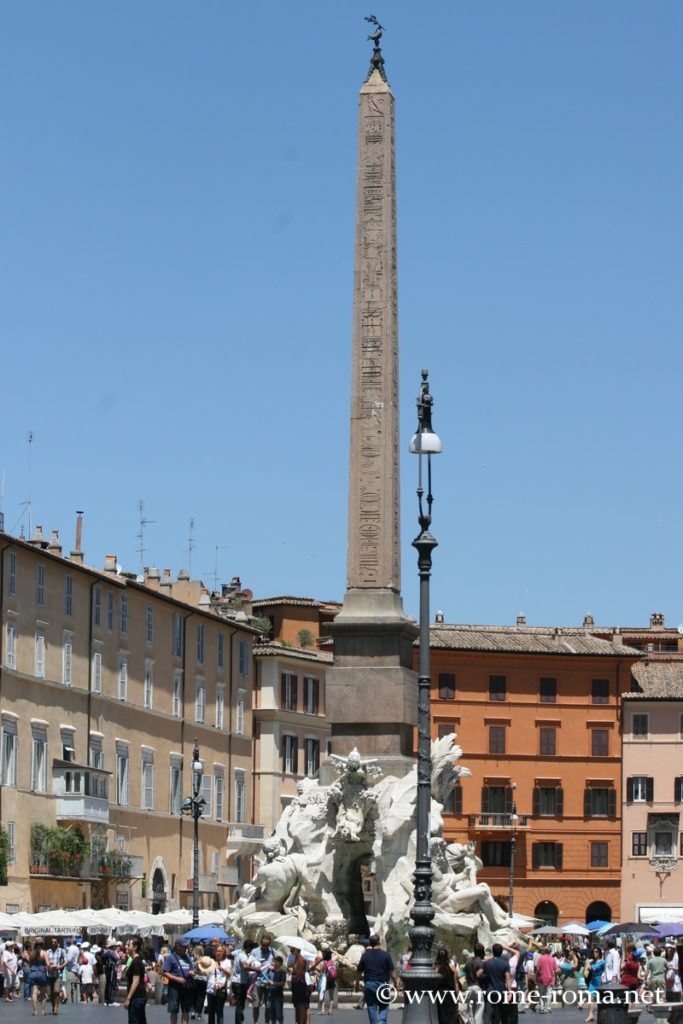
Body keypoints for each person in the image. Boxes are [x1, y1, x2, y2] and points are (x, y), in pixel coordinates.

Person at [357, 935, 397, 1024]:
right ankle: (381, 1022)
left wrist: (356, 984)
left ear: (370, 944)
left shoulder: (365, 956)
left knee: (371, 1007)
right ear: (379, 942)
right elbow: (392, 971)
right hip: (382, 984)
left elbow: (359, 972)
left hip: (369, 983)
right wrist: (396, 983)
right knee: (384, 1005)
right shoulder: (386, 955)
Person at [163, 937, 197, 1024]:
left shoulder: (187, 957)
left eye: (186, 946)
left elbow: (192, 968)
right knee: (174, 1010)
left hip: (186, 986)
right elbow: (165, 972)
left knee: (186, 1010)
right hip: (175, 987)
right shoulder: (171, 958)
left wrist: (192, 972)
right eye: (184, 946)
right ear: (177, 946)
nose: (186, 948)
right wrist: (177, 979)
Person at [482, 944, 512, 1024]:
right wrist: (510, 992)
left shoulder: (487, 963)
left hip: (489, 991)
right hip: (501, 991)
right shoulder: (505, 964)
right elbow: (507, 978)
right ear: (501, 952)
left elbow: (482, 975)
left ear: (492, 951)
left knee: (489, 1013)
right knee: (503, 1013)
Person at [232, 940, 259, 1024]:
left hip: (236, 981)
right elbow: (245, 967)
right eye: (252, 948)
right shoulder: (243, 956)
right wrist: (256, 969)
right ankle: (239, 1021)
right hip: (239, 983)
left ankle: (239, 1020)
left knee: (240, 1004)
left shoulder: (239, 954)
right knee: (240, 1004)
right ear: (249, 948)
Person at [200, 950, 231, 1024]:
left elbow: (229, 973)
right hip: (211, 988)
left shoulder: (227, 962)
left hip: (221, 989)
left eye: (220, 951)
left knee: (219, 1011)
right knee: (211, 1012)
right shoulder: (211, 962)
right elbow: (205, 972)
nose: (218, 952)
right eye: (217, 951)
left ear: (223, 952)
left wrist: (221, 968)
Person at [124, 937, 148, 1024]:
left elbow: (136, 981)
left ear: (135, 947)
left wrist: (128, 998)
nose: (125, 947)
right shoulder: (138, 960)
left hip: (136, 997)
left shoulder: (135, 962)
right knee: (141, 1021)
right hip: (140, 996)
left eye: (128, 945)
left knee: (134, 1021)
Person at [251, 935, 275, 1024]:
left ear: (269, 944)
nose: (265, 947)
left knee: (268, 1005)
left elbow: (277, 964)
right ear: (261, 942)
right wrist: (254, 968)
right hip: (257, 982)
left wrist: (273, 967)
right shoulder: (254, 951)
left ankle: (266, 1022)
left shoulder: (273, 952)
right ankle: (255, 1022)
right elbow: (249, 964)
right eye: (263, 945)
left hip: (268, 982)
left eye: (267, 945)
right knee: (256, 1004)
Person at [435, 947, 459, 1024]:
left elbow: (433, 983)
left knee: (441, 1016)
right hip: (451, 993)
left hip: (440, 993)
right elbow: (456, 984)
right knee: (452, 1016)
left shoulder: (436, 968)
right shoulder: (453, 967)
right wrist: (458, 997)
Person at [463, 944, 486, 1024]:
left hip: (469, 987)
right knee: (478, 1012)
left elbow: (465, 975)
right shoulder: (481, 962)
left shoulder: (468, 961)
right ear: (482, 952)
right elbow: (482, 976)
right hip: (478, 987)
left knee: (469, 1011)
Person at [27, 939, 49, 1017]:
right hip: (41, 973)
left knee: (34, 993)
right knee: (43, 993)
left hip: (33, 973)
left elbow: (30, 963)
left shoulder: (32, 953)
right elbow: (48, 964)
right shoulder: (44, 953)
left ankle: (35, 1011)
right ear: (42, 945)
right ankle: (42, 1011)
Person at [583, 948, 605, 1024]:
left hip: (598, 981)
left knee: (596, 999)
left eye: (596, 952)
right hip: (592, 981)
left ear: (599, 953)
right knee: (590, 997)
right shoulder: (591, 962)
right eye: (593, 952)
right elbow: (588, 970)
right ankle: (590, 1015)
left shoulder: (602, 962)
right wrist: (587, 964)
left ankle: (594, 1015)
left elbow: (604, 971)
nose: (594, 953)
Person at [534, 948, 557, 1015]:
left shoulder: (541, 958)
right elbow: (555, 970)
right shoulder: (553, 959)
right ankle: (548, 1008)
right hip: (550, 979)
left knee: (541, 993)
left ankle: (542, 1008)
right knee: (549, 993)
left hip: (542, 978)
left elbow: (538, 969)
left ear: (544, 951)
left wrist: (536, 976)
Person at [46, 938, 66, 1015]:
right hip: (49, 974)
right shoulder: (48, 952)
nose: (53, 943)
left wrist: (60, 967)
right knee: (50, 993)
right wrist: (48, 964)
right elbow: (45, 962)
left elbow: (66, 961)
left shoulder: (61, 951)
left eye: (55, 942)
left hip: (58, 974)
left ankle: (56, 1007)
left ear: (57, 943)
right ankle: (53, 1006)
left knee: (56, 991)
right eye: (52, 942)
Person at [266, 956, 286, 1024]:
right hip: (271, 994)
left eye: (275, 961)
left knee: (279, 1014)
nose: (273, 963)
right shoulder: (271, 971)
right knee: (272, 1014)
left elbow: (282, 983)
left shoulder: (282, 972)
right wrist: (268, 970)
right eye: (273, 961)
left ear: (280, 963)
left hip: (278, 996)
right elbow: (266, 978)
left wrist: (273, 983)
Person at [317, 950, 337, 1016]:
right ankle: (330, 1010)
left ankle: (323, 1010)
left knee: (322, 994)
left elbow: (321, 972)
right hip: (331, 980)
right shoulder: (332, 961)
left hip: (325, 980)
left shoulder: (323, 962)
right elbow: (337, 955)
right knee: (331, 996)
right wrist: (333, 951)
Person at [103, 938, 121, 1007]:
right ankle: (111, 1000)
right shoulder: (111, 952)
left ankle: (107, 1000)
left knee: (108, 985)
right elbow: (117, 959)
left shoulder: (106, 951)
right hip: (112, 970)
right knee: (111, 984)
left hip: (108, 969)